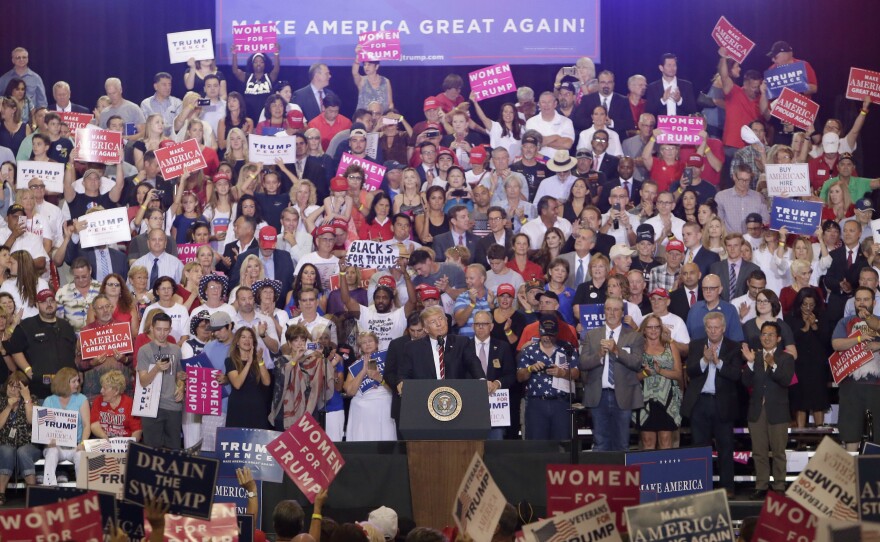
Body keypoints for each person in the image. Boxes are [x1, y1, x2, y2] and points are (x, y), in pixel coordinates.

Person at [681, 311, 743, 498]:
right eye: (710, 327)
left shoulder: (733, 347)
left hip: (722, 403)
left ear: (723, 328)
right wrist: (704, 360)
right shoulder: (697, 345)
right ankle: (701, 486)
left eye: (717, 327)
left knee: (725, 448)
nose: (713, 331)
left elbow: (735, 374)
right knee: (700, 447)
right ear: (705, 328)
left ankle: (727, 488)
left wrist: (718, 362)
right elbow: (691, 371)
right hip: (700, 403)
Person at [580, 297, 645, 452]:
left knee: (622, 443)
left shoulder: (634, 336)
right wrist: (599, 355)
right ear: (604, 312)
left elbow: (636, 363)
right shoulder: (591, 335)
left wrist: (617, 351)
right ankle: (601, 476)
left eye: (616, 309)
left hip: (623, 395)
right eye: (608, 309)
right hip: (598, 395)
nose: (612, 313)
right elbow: (582, 363)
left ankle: (621, 476)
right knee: (600, 443)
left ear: (622, 313)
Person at [741, 320, 795, 500]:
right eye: (764, 334)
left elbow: (786, 380)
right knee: (759, 451)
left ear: (779, 338)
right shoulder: (754, 357)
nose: (767, 337)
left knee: (779, 451)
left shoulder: (786, 358)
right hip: (756, 410)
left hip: (778, 411)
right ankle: (761, 485)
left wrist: (773, 365)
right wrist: (749, 363)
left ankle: (779, 485)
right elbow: (745, 382)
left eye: (771, 334)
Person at [831, 287, 880, 451]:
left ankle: (875, 473)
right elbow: (836, 344)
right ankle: (851, 473)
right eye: (858, 300)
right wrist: (859, 339)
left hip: (877, 385)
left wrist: (877, 345)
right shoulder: (845, 322)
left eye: (866, 299)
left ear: (874, 302)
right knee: (850, 431)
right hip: (850, 384)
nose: (862, 303)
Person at [6, 288, 76, 399]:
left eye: (51, 300)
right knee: (43, 416)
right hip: (40, 390)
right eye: (43, 301)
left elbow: (73, 351)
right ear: (37, 305)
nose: (49, 304)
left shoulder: (66, 325)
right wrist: (27, 370)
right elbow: (15, 349)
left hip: (67, 388)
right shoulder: (27, 325)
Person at [516, 315, 578, 440]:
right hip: (536, 403)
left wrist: (562, 373)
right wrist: (530, 368)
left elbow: (577, 373)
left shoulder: (567, 348)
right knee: (536, 445)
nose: (548, 338)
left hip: (561, 403)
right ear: (540, 332)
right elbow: (519, 377)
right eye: (545, 334)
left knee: (562, 444)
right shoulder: (529, 350)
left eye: (551, 334)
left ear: (557, 332)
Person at [340, 259, 415, 350]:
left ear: (391, 300)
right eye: (377, 297)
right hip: (372, 360)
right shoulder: (366, 314)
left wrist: (406, 275)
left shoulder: (399, 315)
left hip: (393, 360)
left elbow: (412, 301)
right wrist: (342, 273)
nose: (380, 300)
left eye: (384, 298)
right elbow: (346, 300)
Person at [398, 306, 485, 382]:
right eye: (433, 322)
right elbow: (404, 374)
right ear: (425, 329)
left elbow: (473, 363)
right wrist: (401, 382)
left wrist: (482, 379)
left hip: (457, 395)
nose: (439, 324)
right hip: (425, 396)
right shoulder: (412, 348)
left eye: (441, 319)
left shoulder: (461, 342)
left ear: (446, 321)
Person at [136, 312, 184, 450]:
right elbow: (143, 381)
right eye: (158, 329)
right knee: (151, 450)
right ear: (151, 328)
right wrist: (156, 368)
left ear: (170, 329)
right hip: (151, 406)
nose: (162, 333)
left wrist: (182, 387)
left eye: (165, 329)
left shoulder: (176, 350)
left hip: (173, 405)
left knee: (174, 449)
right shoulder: (144, 350)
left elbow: (179, 375)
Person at [784, 288, 831, 428]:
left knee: (818, 401)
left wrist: (815, 326)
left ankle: (820, 437)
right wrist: (804, 328)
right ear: (799, 303)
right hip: (799, 366)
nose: (808, 308)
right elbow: (788, 341)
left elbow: (828, 341)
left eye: (812, 305)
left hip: (818, 366)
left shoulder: (823, 316)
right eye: (805, 304)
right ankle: (800, 439)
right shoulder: (790, 318)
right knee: (800, 401)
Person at [635, 314, 683, 450]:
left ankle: (665, 471)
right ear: (644, 330)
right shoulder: (638, 348)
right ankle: (649, 471)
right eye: (650, 327)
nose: (653, 330)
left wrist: (660, 371)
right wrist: (646, 373)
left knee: (666, 441)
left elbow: (679, 374)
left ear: (661, 329)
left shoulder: (670, 346)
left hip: (668, 400)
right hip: (644, 400)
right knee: (647, 441)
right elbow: (631, 378)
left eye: (657, 327)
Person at [39, 367, 89, 486]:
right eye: (74, 381)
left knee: (82, 456)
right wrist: (47, 441)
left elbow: (87, 425)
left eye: (78, 381)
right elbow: (42, 426)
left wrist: (82, 444)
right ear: (64, 383)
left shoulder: (82, 399)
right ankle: (50, 488)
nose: (77, 384)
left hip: (75, 446)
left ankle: (84, 492)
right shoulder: (49, 401)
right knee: (51, 452)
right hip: (56, 446)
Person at [343, 330, 396, 441]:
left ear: (376, 343)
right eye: (364, 342)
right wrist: (363, 371)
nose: (367, 344)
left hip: (383, 403)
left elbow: (395, 388)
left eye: (370, 341)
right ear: (360, 347)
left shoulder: (389, 360)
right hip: (361, 407)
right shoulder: (355, 366)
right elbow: (349, 392)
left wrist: (379, 378)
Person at [0, 371, 38, 502]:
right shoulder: (1, 401)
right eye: (10, 385)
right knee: (6, 450)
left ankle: (32, 493)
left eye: (17, 387)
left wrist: (27, 399)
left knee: (23, 451)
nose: (12, 389)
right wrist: (8, 407)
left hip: (29, 444)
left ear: (23, 388)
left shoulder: (32, 399)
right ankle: (1, 493)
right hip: (5, 444)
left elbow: (32, 421)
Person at [226, 326, 272, 429]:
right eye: (243, 337)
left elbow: (267, 382)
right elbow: (237, 384)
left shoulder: (258, 360)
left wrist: (260, 361)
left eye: (250, 337)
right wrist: (248, 362)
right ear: (237, 342)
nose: (247, 340)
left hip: (257, 408)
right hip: (238, 409)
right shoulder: (230, 361)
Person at [685, 273, 744, 342]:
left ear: (720, 289)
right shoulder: (694, 309)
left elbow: (736, 340)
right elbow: (687, 338)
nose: (708, 292)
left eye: (712, 288)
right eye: (705, 288)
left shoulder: (730, 310)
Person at [88, 369, 142, 442]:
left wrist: (130, 447)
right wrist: (104, 436)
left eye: (105, 388)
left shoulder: (130, 404)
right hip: (103, 440)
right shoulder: (98, 401)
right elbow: (94, 424)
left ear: (116, 391)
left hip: (124, 443)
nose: (101, 391)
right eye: (101, 387)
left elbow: (137, 430)